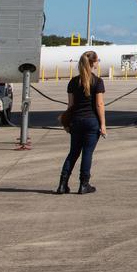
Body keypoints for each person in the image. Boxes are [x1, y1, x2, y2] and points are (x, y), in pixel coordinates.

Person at [57, 50, 106, 195]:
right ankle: (84, 184)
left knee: (73, 153)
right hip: (91, 122)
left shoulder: (73, 82)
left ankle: (62, 184)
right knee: (87, 153)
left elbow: (70, 106)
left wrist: (66, 123)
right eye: (97, 60)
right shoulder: (97, 81)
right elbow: (99, 105)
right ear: (93, 63)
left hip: (76, 121)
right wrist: (103, 125)